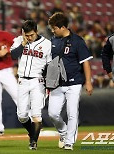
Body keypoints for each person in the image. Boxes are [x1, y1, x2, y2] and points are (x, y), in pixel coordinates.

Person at [47, 12, 93, 150]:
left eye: (54, 28)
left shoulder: (78, 41)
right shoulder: (52, 41)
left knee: (72, 113)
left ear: (62, 27)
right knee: (52, 114)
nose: (53, 31)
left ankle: (69, 142)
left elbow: (85, 63)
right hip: (57, 83)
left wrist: (89, 82)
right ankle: (63, 132)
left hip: (74, 82)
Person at [10, 20, 52, 150]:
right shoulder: (18, 41)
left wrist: (49, 83)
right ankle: (32, 133)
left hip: (38, 81)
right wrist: (23, 43)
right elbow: (13, 55)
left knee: (36, 114)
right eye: (26, 35)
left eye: (31, 35)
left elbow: (49, 65)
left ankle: (33, 142)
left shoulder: (46, 44)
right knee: (22, 116)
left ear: (36, 31)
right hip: (22, 80)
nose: (29, 37)